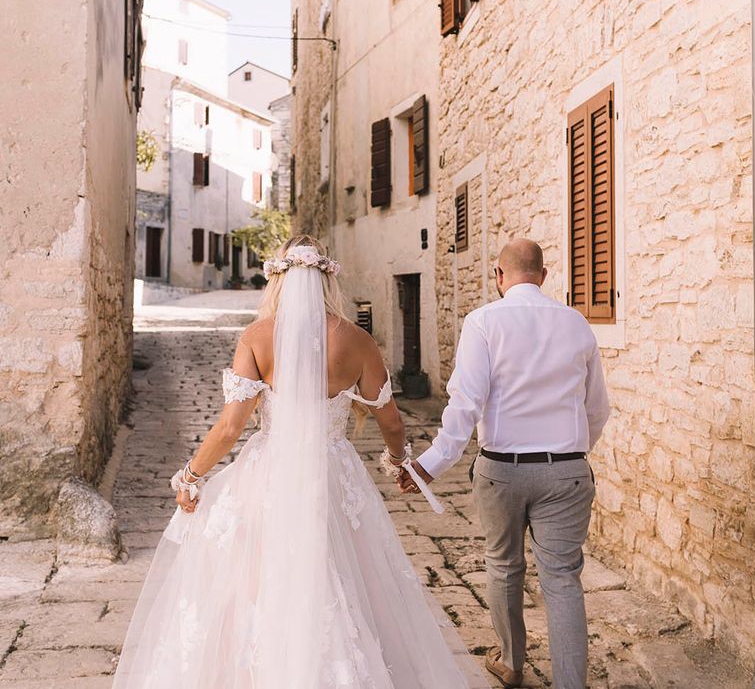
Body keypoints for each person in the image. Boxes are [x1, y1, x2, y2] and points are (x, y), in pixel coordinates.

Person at [112, 235, 488, 688]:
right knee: (344, 574)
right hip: (332, 472)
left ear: (279, 280)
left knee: (256, 579)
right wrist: (398, 462)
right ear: (328, 280)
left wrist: (191, 475)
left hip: (268, 473)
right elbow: (390, 420)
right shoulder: (357, 341)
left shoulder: (256, 338)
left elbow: (230, 428)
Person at [399, 239, 611, 689]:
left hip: (502, 470)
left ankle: (513, 664)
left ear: (498, 275)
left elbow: (465, 403)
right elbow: (597, 409)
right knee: (563, 579)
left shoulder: (483, 322)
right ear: (545, 275)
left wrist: (429, 465)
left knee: (503, 566)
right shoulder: (577, 324)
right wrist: (571, 454)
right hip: (567, 470)